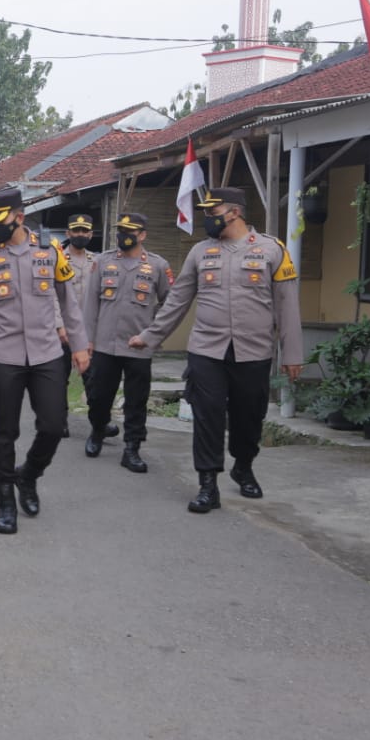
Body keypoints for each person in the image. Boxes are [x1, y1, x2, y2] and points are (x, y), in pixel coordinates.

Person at [129, 187, 302, 513]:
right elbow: (178, 300)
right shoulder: (200, 252)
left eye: (212, 212)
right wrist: (150, 336)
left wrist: (292, 353)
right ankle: (207, 484)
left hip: (253, 351)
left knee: (248, 416)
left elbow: (287, 305)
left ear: (234, 212)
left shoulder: (272, 250)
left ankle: (243, 465)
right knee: (207, 415)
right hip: (207, 349)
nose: (206, 219)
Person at [0, 187, 89, 534]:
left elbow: (69, 302)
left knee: (52, 424)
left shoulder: (51, 252)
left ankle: (28, 476)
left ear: (19, 216)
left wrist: (79, 345)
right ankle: (5, 501)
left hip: (46, 353)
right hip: (2, 355)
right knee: (5, 432)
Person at [82, 212, 173, 472]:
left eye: (129, 232)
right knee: (99, 397)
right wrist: (87, 340)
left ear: (142, 235)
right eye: (120, 231)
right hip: (104, 345)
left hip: (138, 347)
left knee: (136, 401)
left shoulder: (157, 265)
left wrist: (153, 332)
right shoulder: (103, 261)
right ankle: (98, 430)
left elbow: (171, 302)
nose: (123, 236)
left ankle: (132, 447)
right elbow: (90, 305)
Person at [53, 213, 115, 440]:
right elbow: (51, 295)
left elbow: (102, 297)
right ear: (68, 233)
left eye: (84, 231)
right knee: (59, 378)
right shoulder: (57, 259)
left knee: (95, 380)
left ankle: (100, 423)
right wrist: (59, 327)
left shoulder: (96, 261)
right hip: (60, 331)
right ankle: (60, 421)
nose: (80, 235)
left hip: (88, 331)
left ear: (90, 234)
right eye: (75, 231)